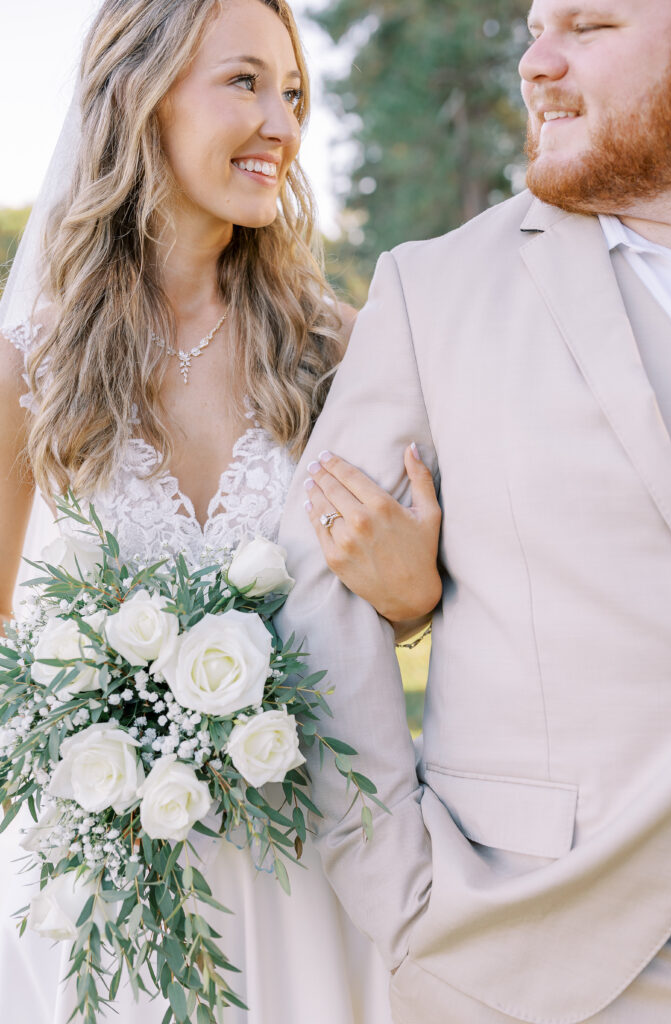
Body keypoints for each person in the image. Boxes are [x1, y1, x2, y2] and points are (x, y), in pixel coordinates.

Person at [0, 1, 443, 1021]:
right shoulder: (31, 363)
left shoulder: (346, 346)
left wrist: (413, 589)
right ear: (138, 95)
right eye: (243, 83)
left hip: (311, 867)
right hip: (104, 893)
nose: (282, 123)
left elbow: (436, 595)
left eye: (293, 93)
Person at [277, 0, 671, 1021]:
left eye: (587, 29)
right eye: (534, 31)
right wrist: (402, 894)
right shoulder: (435, 289)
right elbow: (310, 605)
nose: (536, 64)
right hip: (556, 964)